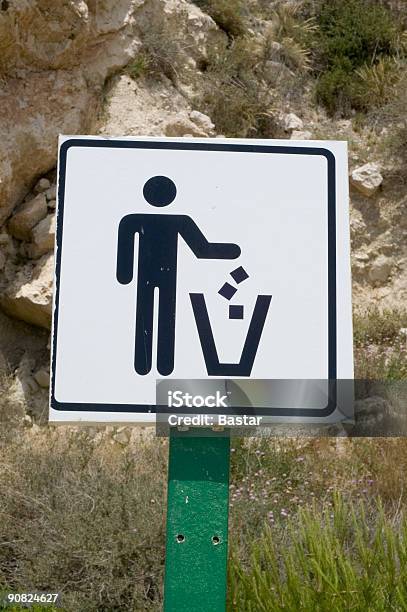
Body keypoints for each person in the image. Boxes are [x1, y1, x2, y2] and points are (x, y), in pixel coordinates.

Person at [116, 175, 240, 375]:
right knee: (161, 315)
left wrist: (125, 275)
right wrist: (232, 251)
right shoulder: (170, 220)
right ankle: (156, 365)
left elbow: (201, 249)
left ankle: (150, 365)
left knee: (152, 315)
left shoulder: (134, 220)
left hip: (153, 276)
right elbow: (203, 249)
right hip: (162, 277)